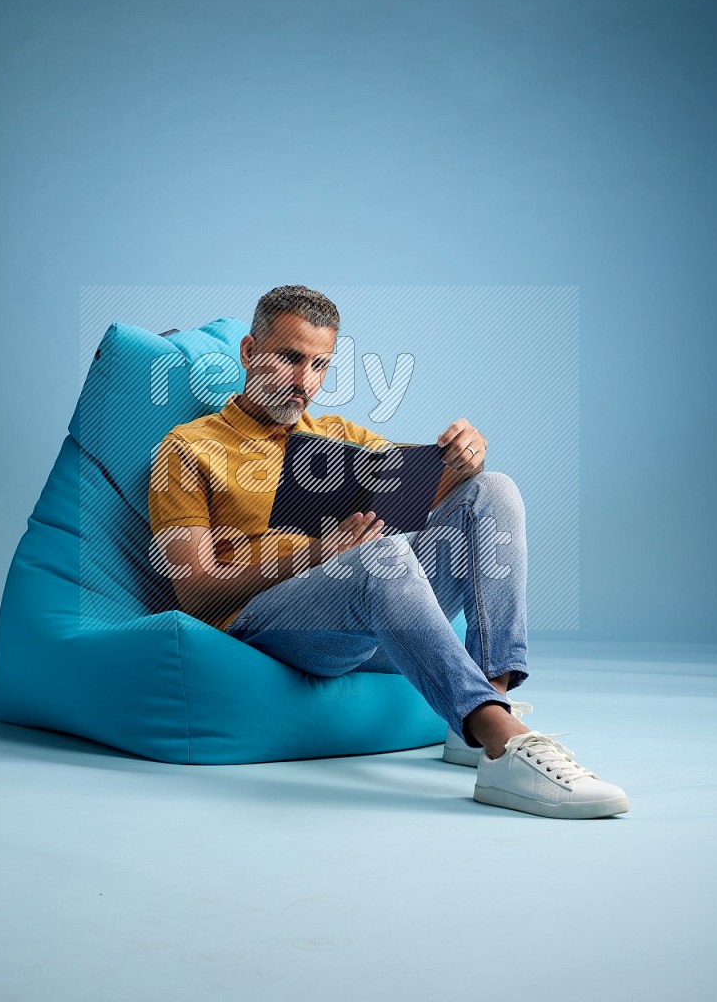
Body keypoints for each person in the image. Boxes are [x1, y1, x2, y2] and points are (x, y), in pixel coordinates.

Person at [148, 285, 629, 820]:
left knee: (495, 490)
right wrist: (315, 554)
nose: (304, 382)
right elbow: (191, 589)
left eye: (320, 365)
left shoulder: (336, 436)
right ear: (248, 353)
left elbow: (436, 494)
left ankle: (479, 715)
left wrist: (463, 461)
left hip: (365, 618)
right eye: (289, 358)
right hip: (264, 628)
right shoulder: (188, 446)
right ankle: (502, 739)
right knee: (384, 559)